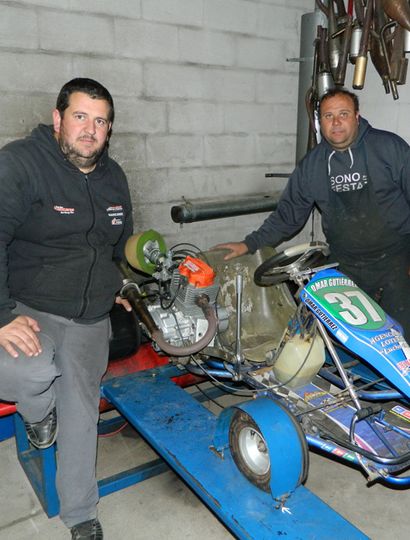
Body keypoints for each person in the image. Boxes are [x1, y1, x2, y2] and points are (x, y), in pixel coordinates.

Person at [0, 78, 133, 539]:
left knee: (81, 411)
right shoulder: (21, 163)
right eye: (80, 116)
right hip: (26, 308)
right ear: (58, 119)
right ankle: (38, 416)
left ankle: (81, 515)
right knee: (29, 373)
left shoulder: (114, 176)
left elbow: (116, 243)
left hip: (89, 317)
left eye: (101, 121)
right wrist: (1, 317)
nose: (90, 129)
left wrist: (119, 282)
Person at [216, 88, 410, 340]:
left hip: (395, 260)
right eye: (329, 116)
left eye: (343, 114)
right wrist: (248, 244)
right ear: (321, 122)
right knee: (344, 339)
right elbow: (288, 216)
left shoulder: (389, 147)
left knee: (400, 338)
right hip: (345, 263)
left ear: (357, 116)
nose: (336, 122)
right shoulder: (312, 165)